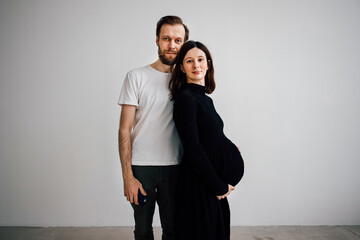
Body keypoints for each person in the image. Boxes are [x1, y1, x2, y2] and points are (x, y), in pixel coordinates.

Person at [118, 16, 189, 240]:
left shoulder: (188, 79)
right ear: (157, 40)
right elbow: (124, 130)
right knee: (142, 231)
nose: (172, 45)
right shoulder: (136, 76)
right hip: (142, 169)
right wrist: (127, 177)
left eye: (178, 40)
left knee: (174, 230)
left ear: (184, 43)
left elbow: (205, 123)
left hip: (176, 168)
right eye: (166, 39)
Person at [169, 41, 244, 240]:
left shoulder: (205, 99)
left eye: (200, 60)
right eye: (189, 61)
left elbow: (209, 136)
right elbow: (193, 148)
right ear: (182, 68)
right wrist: (218, 186)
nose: (196, 65)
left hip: (210, 185)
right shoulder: (185, 99)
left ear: (208, 64)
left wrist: (228, 147)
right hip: (200, 185)